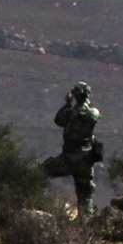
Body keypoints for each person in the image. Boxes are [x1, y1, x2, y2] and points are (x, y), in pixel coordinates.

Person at [42, 81, 101, 218]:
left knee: (40, 173)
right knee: (85, 193)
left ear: (75, 95)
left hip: (69, 157)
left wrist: (67, 103)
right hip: (86, 159)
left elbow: (58, 120)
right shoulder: (94, 113)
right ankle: (86, 222)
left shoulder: (69, 113)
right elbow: (92, 113)